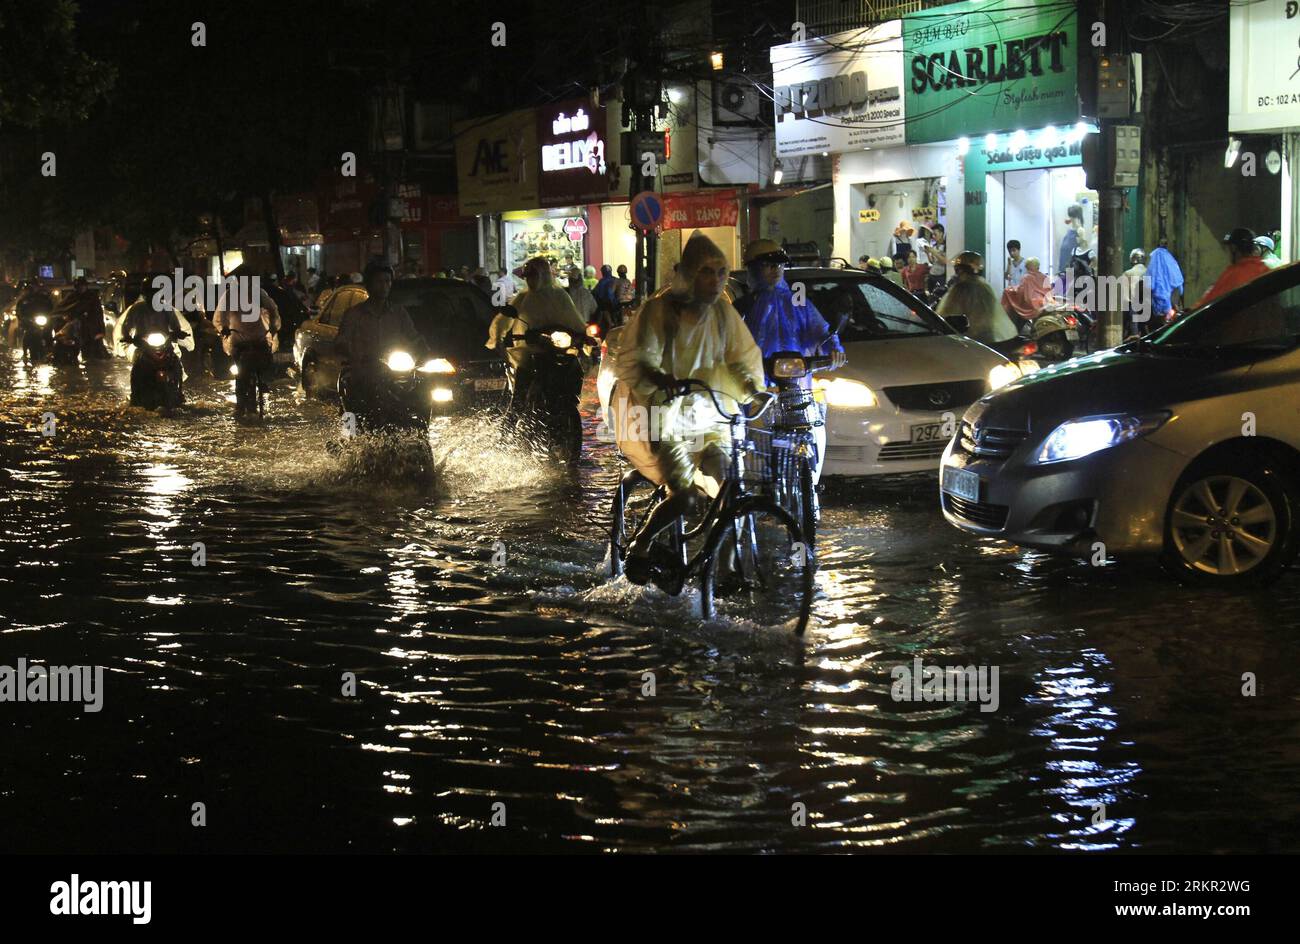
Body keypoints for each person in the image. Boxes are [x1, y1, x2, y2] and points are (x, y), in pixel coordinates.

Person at [608, 233, 765, 586]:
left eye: (721, 272)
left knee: (728, 486)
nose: (715, 281)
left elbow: (736, 359)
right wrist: (662, 379)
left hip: (708, 416)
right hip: (664, 417)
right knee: (686, 497)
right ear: (690, 275)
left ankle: (723, 569)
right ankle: (642, 544)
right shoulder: (659, 310)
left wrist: (753, 390)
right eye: (707, 272)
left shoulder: (723, 313)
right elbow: (638, 358)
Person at [734, 238, 847, 487]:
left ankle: (808, 488)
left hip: (796, 385)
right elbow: (729, 343)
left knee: (810, 433)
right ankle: (754, 500)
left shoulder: (798, 301)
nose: (776, 270)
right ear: (753, 268)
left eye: (779, 264)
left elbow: (820, 328)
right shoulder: (744, 306)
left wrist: (833, 348)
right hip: (758, 389)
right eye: (768, 265)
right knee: (756, 447)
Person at [486, 257, 588, 428]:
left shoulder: (560, 295)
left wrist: (583, 334)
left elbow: (573, 319)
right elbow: (503, 320)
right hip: (530, 351)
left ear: (544, 275)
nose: (531, 280)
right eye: (528, 277)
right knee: (521, 387)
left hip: (557, 350)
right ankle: (513, 422)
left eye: (534, 276)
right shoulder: (524, 298)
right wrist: (498, 337)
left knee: (573, 366)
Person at [335, 260, 431, 428]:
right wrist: (352, 351)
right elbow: (342, 340)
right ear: (369, 284)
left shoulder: (399, 313)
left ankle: (420, 434)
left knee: (422, 393)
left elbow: (413, 337)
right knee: (350, 400)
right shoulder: (354, 315)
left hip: (394, 373)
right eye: (380, 281)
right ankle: (349, 439)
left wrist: (425, 351)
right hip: (362, 373)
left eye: (388, 281)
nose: (384, 286)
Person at [212, 267, 282, 416]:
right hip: (239, 340)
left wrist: (273, 328)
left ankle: (263, 381)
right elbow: (220, 316)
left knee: (264, 365)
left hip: (259, 338)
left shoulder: (260, 294)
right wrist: (224, 328)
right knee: (240, 373)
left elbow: (273, 310)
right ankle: (240, 404)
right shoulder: (229, 295)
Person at [119, 278, 194, 403]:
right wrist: (127, 337)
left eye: (155, 292)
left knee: (176, 363)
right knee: (137, 366)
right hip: (144, 346)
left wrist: (178, 333)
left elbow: (175, 325)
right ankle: (135, 394)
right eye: (149, 292)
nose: (152, 295)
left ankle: (180, 391)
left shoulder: (167, 309)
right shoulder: (137, 309)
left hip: (165, 345)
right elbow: (126, 326)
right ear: (145, 293)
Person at [938, 250, 1017, 345]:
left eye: (958, 269)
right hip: (993, 336)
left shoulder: (961, 289)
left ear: (960, 270)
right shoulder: (985, 286)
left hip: (970, 340)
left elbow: (947, 314)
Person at [1194, 227, 1271, 308]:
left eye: (1228, 249)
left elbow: (1209, 301)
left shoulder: (1234, 274)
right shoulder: (1264, 269)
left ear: (1234, 248)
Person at [56, 276, 109, 358]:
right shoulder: (71, 297)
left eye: (83, 285)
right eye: (79, 286)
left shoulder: (92, 297)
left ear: (86, 286)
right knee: (70, 352)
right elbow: (62, 310)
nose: (81, 287)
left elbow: (98, 314)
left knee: (91, 353)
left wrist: (101, 330)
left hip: (90, 330)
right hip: (75, 329)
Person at [1000, 257, 1054, 322]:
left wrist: (1011, 290)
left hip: (1031, 304)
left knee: (1007, 293)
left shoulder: (1026, 277)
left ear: (1028, 266)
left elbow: (1021, 292)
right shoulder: (1045, 277)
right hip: (1046, 302)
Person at [1146, 240, 1184, 323]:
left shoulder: (1154, 257)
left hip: (1161, 304)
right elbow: (1179, 281)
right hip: (1174, 297)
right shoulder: (1170, 258)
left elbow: (1152, 283)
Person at [1118, 249, 1148, 336]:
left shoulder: (1128, 273)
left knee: (1131, 320)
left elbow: (1124, 294)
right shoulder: (1150, 272)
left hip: (1133, 305)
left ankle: (1134, 337)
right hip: (1149, 305)